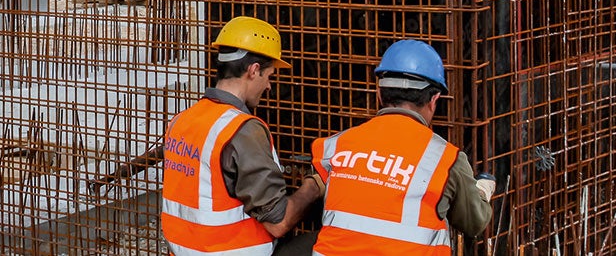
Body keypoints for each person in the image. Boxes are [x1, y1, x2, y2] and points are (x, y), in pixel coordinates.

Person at [309, 40, 494, 255]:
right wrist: (481, 192)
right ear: (434, 100)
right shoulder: (446, 159)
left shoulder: (335, 146)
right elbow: (474, 222)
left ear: (379, 94)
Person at [161, 16, 324, 255]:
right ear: (253, 70)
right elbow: (278, 223)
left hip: (186, 250)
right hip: (231, 251)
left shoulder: (182, 120)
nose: (269, 86)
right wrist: (315, 185)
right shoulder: (241, 129)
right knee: (330, 242)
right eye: (269, 76)